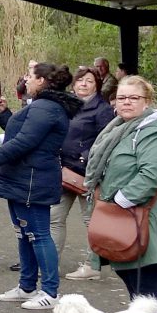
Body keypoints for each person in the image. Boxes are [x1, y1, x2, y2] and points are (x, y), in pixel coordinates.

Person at [0, 61, 80, 310]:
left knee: (39, 235)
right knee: (24, 233)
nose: (26, 79)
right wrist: (4, 114)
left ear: (42, 80)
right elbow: (23, 132)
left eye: (30, 76)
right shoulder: (42, 106)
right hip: (22, 178)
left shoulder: (47, 107)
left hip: (33, 180)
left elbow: (25, 141)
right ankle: (27, 286)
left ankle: (51, 291)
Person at [84, 74, 157, 313]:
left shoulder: (156, 130)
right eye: (121, 98)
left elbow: (152, 172)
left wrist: (118, 200)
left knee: (146, 289)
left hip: (145, 217)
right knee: (134, 284)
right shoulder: (120, 128)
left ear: (147, 101)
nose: (126, 103)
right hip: (123, 217)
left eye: (133, 98)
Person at [58, 67, 116, 281]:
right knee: (55, 218)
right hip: (63, 171)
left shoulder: (102, 110)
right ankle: (48, 263)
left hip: (88, 173)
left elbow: (107, 141)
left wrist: (84, 157)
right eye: (80, 80)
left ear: (97, 85)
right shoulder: (66, 106)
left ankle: (94, 265)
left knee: (91, 220)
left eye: (89, 81)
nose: (83, 84)